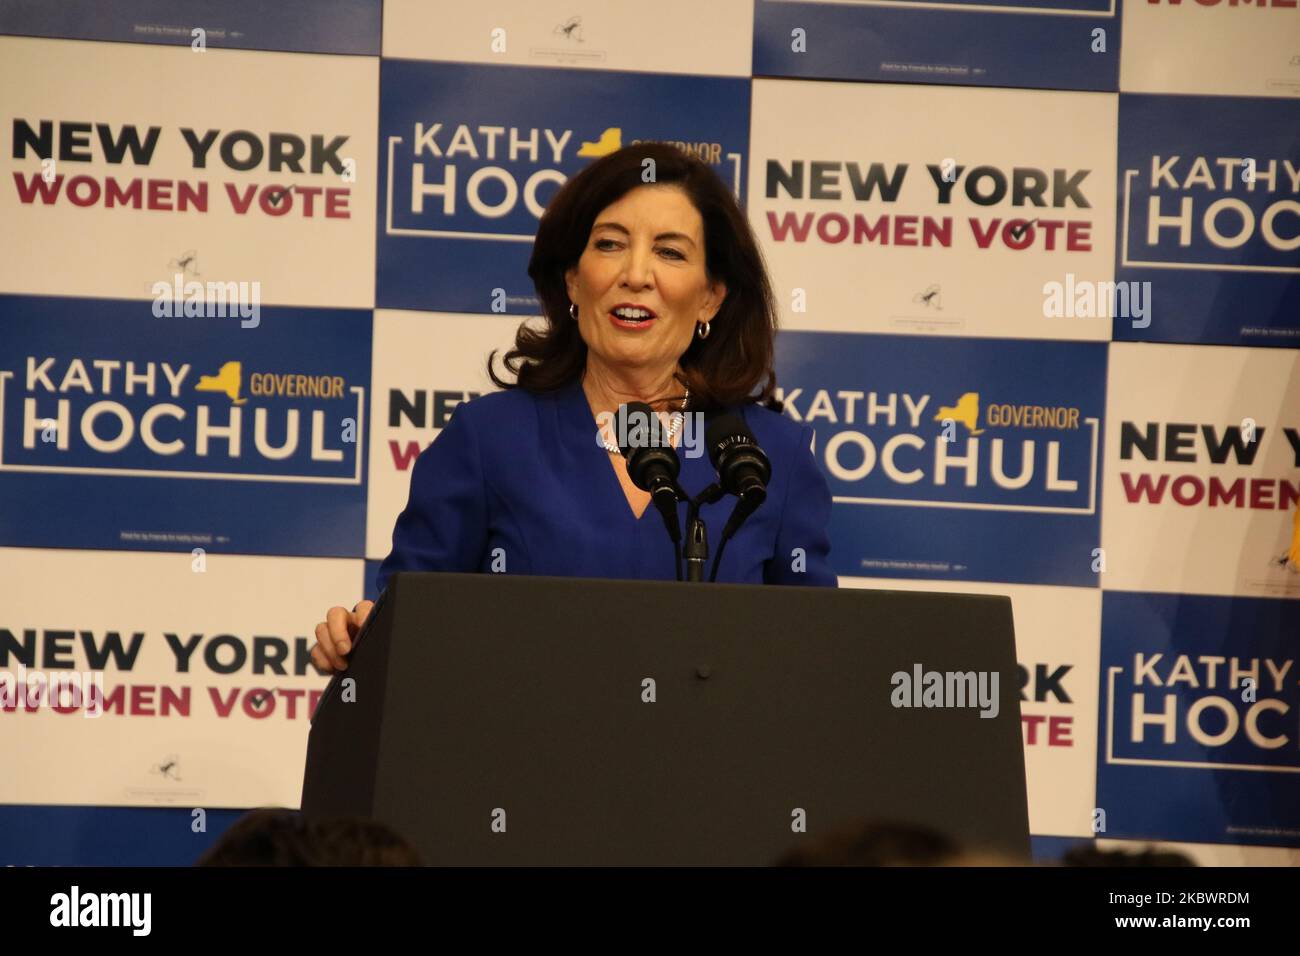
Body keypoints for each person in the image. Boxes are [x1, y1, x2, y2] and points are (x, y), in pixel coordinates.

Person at [312, 142, 835, 674]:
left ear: (711, 297)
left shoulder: (769, 459)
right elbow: (406, 630)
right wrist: (357, 639)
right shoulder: (490, 439)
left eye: (670, 252)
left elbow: (814, 660)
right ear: (572, 280)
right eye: (610, 244)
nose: (636, 274)